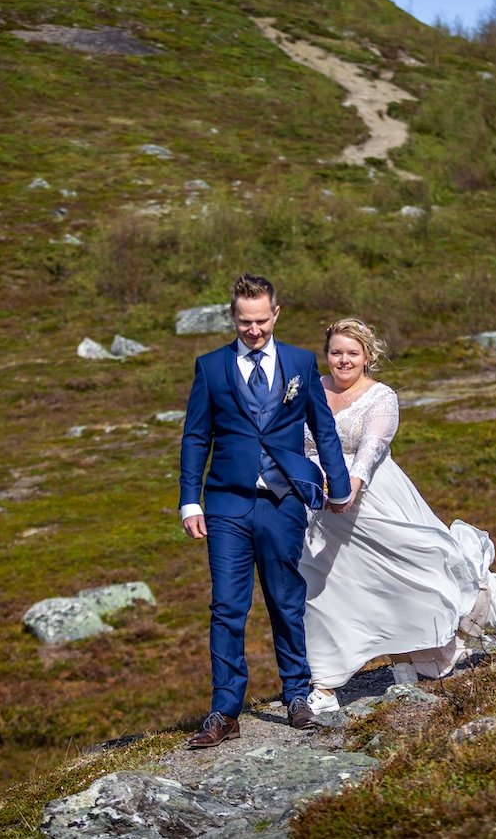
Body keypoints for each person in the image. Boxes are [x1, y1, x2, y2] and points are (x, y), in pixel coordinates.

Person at [298, 319, 496, 714]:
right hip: (317, 510)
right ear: (327, 353)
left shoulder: (381, 397)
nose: (344, 360)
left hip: (372, 499)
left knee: (430, 571)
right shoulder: (310, 389)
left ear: (368, 356)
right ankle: (327, 680)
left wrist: (348, 488)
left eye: (353, 353)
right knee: (333, 589)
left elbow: (371, 449)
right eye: (336, 352)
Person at [178, 275, 354, 748]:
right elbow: (196, 436)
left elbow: (324, 427)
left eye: (261, 321)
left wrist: (338, 486)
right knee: (227, 606)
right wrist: (190, 500)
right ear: (232, 317)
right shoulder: (211, 367)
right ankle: (224, 711)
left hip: (283, 502)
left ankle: (296, 693)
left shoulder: (299, 362)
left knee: (285, 598)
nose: (253, 330)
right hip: (227, 503)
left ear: (276, 314)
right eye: (244, 321)